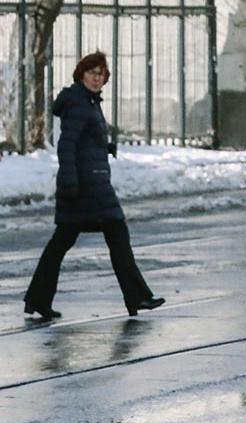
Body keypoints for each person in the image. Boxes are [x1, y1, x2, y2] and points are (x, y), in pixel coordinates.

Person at [23, 51, 165, 320]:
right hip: (84, 186)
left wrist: (102, 146)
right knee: (114, 233)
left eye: (101, 74)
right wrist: (70, 181)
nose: (97, 78)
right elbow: (67, 145)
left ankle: (38, 299)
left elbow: (83, 139)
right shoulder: (79, 103)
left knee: (62, 242)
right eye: (92, 73)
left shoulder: (87, 101)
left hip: (90, 182)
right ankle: (137, 296)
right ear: (81, 74)